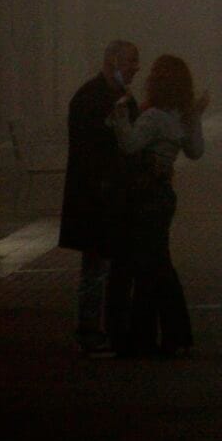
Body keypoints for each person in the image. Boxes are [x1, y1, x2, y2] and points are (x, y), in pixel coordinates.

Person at [107, 54, 208, 357]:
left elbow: (130, 144)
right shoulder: (180, 116)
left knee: (149, 266)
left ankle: (153, 334)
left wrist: (119, 117)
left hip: (144, 197)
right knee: (158, 263)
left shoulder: (152, 117)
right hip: (164, 195)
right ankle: (171, 334)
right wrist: (196, 116)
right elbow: (195, 151)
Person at [60, 40, 140, 357]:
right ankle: (90, 330)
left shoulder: (114, 97)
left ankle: (106, 328)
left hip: (110, 194)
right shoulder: (91, 98)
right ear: (113, 61)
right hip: (95, 196)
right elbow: (92, 150)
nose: (136, 68)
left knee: (104, 265)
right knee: (95, 266)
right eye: (131, 61)